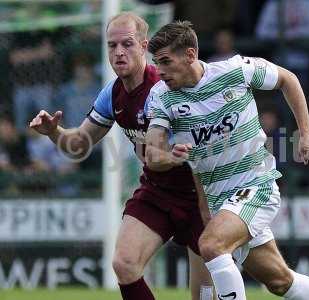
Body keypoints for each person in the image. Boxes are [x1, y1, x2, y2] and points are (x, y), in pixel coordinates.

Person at [145, 21, 309, 300]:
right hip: (220, 200)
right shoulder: (161, 95)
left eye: (165, 61)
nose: (159, 71)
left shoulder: (235, 70)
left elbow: (287, 79)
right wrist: (169, 157)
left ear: (190, 54)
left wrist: (306, 135)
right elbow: (151, 154)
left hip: (257, 184)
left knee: (210, 244)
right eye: (156, 63)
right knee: (279, 281)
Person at [29, 12, 212, 300]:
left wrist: (207, 204)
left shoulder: (168, 86)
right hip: (158, 191)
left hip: (201, 193)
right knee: (124, 264)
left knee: (207, 296)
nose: (118, 52)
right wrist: (54, 132)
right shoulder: (112, 93)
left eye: (127, 44)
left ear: (144, 46)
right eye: (112, 46)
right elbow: (78, 145)